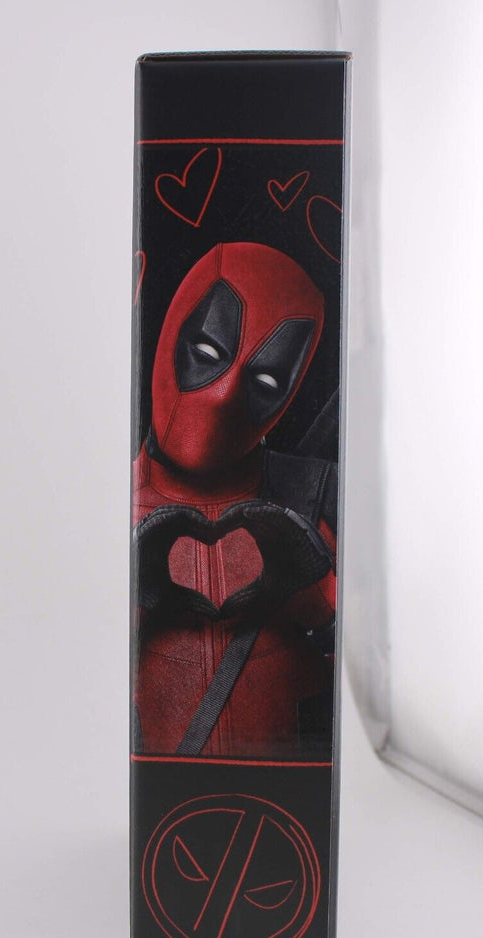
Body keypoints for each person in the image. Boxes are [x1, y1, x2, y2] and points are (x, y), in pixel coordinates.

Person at [132, 242, 337, 759]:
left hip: (285, 788)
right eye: (207, 354)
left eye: (265, 380)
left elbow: (370, 678)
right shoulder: (104, 503)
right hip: (154, 790)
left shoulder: (310, 502)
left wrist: (322, 608)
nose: (223, 395)